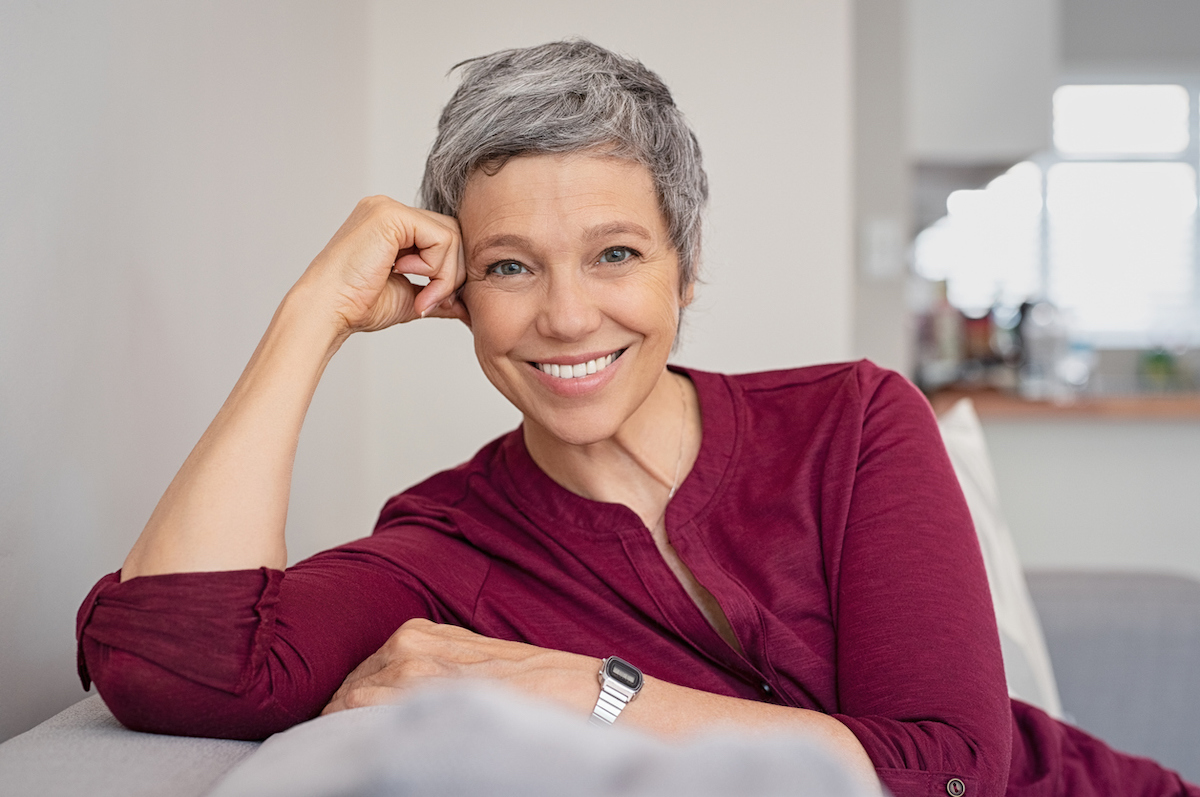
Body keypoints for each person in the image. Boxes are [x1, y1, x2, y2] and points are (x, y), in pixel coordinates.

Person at [76, 40, 1197, 797]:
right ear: (455, 291)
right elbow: (180, 662)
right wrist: (313, 311)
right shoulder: (443, 547)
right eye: (512, 265)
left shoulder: (854, 423)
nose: (568, 316)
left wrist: (592, 692)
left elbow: (951, 771)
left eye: (615, 253)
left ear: (683, 271)